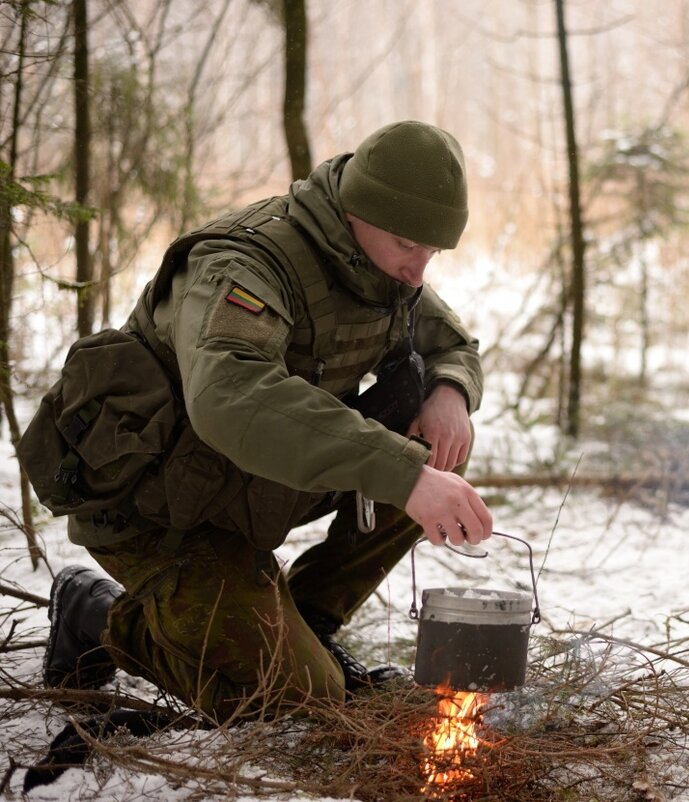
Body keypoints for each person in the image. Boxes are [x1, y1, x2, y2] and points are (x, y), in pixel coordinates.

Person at [37, 121, 493, 721]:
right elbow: (231, 396)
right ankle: (93, 613)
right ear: (358, 210)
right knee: (293, 698)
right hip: (155, 507)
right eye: (410, 246)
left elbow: (453, 344)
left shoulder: (378, 265)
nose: (419, 271)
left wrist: (451, 391)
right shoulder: (247, 263)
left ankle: (308, 624)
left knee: (437, 445)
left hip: (243, 488)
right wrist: (403, 475)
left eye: (432, 252)